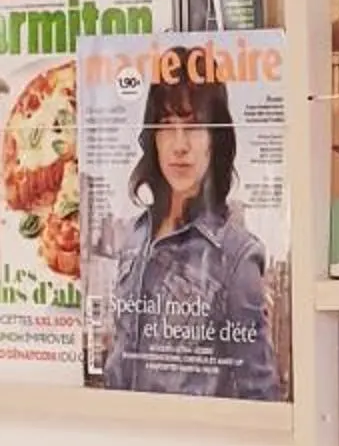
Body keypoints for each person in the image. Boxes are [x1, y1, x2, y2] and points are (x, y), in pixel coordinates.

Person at [101, 49, 275, 402]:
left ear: (215, 139)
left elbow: (260, 394)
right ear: (152, 138)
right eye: (167, 127)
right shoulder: (135, 235)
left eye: (194, 126)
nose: (179, 146)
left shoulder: (236, 255)